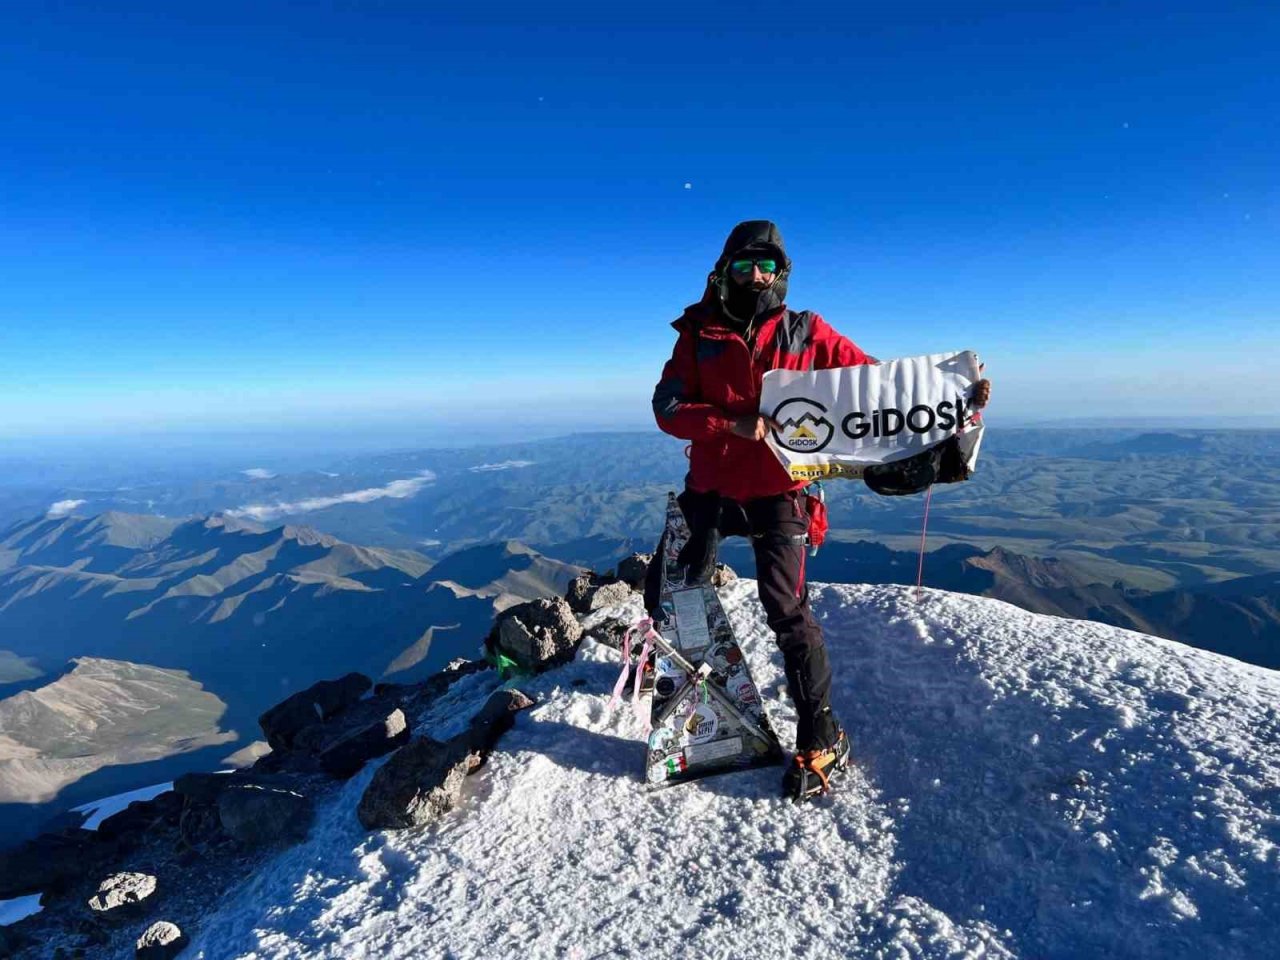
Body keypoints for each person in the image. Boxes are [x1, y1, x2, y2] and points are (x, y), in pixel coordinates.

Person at [650, 220, 990, 801]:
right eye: (743, 266)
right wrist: (728, 423)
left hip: (782, 489)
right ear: (723, 271)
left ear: (782, 274)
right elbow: (668, 405)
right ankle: (685, 698)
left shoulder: (806, 331)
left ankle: (820, 733)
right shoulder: (699, 334)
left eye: (767, 267)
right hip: (712, 483)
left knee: (784, 607)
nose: (755, 276)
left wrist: (953, 400)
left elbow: (878, 388)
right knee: (675, 583)